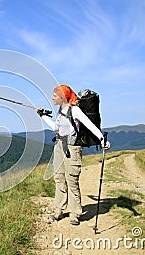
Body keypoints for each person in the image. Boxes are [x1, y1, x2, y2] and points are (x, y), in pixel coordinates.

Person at [37, 84, 110, 226]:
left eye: (55, 96)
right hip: (59, 145)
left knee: (72, 180)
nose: (52, 98)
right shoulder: (61, 110)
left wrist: (102, 140)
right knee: (59, 178)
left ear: (63, 97)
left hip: (72, 148)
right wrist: (43, 117)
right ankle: (59, 209)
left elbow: (90, 125)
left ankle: (75, 213)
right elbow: (56, 128)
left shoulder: (75, 110)